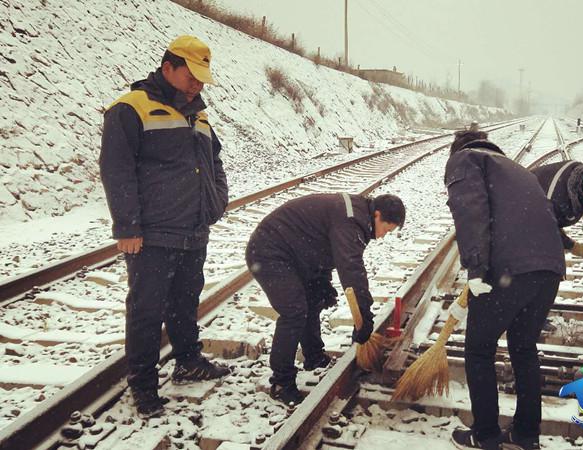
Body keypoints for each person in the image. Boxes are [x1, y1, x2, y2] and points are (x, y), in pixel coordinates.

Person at [99, 35, 230, 418]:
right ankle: (143, 385)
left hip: (192, 229)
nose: (198, 85)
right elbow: (116, 170)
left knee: (186, 302)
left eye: (202, 78)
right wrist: (127, 227)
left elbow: (215, 162)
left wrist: (216, 199)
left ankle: (188, 360)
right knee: (146, 310)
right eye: (192, 76)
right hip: (152, 234)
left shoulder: (199, 114)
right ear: (168, 67)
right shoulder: (130, 109)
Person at [445, 130, 565, 450]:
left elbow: (471, 213)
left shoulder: (465, 159)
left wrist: (475, 269)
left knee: (479, 350)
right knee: (523, 348)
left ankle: (485, 436)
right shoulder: (515, 169)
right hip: (549, 270)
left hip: (510, 271)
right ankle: (526, 434)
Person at [245, 193, 405, 406]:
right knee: (294, 311)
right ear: (377, 215)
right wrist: (365, 317)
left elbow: (322, 243)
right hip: (269, 252)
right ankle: (281, 382)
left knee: (313, 300)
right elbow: (351, 270)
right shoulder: (352, 220)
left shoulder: (356, 215)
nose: (383, 236)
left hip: (295, 254)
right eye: (386, 229)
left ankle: (313, 356)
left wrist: (322, 280)